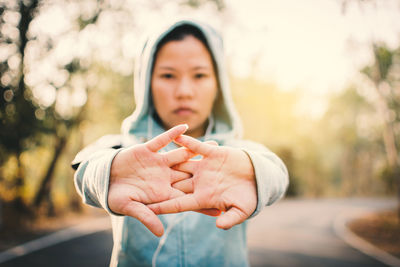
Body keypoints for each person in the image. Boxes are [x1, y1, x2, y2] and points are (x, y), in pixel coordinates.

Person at [72, 19, 289, 267]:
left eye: (199, 75)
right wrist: (108, 172)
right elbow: (86, 168)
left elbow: (275, 172)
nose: (184, 91)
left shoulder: (240, 154)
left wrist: (253, 172)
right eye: (168, 75)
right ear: (146, 84)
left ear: (218, 84)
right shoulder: (120, 148)